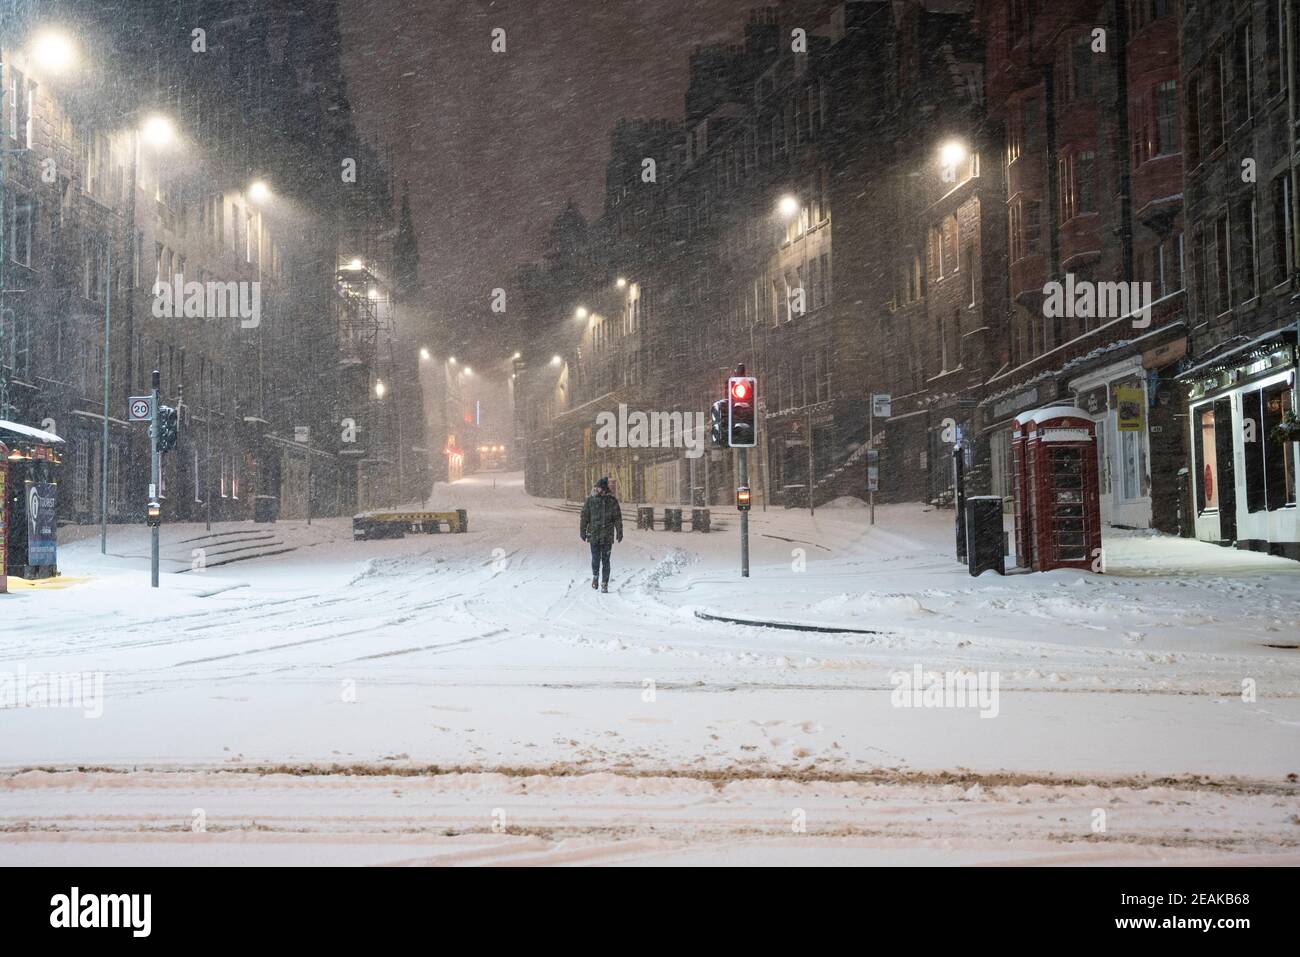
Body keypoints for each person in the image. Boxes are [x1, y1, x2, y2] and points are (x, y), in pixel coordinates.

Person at [580, 476, 623, 592]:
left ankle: (604, 583)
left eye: (599, 488)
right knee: (595, 558)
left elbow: (617, 518)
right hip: (593, 535)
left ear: (604, 489)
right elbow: (584, 517)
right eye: (596, 487)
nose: (597, 489)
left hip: (607, 536)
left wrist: (619, 531)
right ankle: (595, 576)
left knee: (606, 561)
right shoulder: (590, 500)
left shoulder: (612, 501)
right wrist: (582, 531)